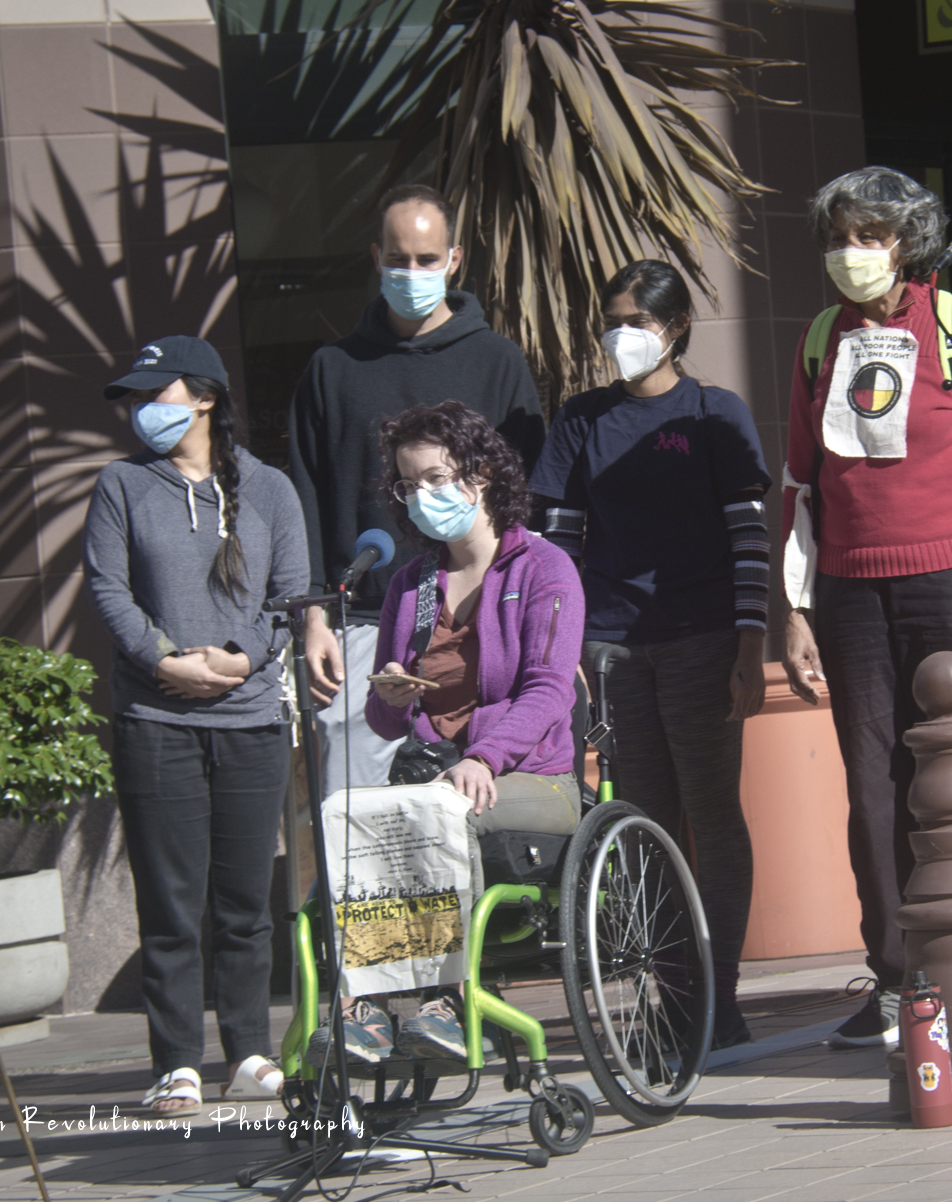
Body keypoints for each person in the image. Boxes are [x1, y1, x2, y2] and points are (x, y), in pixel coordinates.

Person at [780, 167, 952, 1049]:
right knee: (870, 786)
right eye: (839, 237)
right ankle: (896, 980)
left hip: (945, 582)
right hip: (848, 589)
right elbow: (798, 484)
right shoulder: (819, 339)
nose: (852, 255)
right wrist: (795, 609)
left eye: (871, 237)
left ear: (909, 243)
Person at [531, 260, 772, 1049]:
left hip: (702, 639)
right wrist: (561, 642)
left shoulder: (713, 412)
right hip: (611, 647)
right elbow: (557, 541)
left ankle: (720, 996)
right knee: (643, 820)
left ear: (673, 329)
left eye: (636, 320)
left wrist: (750, 640)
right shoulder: (581, 419)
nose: (620, 335)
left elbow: (748, 536)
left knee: (711, 814)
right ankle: (671, 996)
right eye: (612, 319)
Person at [84, 336, 310, 1115]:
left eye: (159, 392)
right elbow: (108, 591)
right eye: (136, 397)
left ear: (206, 397)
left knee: (244, 904)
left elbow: (289, 596)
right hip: (156, 719)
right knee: (170, 902)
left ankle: (247, 1051)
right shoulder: (121, 484)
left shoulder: (272, 489)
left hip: (248, 720)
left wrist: (245, 659)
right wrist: (162, 659)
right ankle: (176, 1061)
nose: (143, 409)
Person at [289, 184, 547, 797]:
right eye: (399, 259)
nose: (412, 272)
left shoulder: (497, 362)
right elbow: (307, 499)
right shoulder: (332, 369)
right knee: (355, 824)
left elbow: (524, 497)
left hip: (479, 618)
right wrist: (314, 616)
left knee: (468, 813)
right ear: (376, 258)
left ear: (454, 260)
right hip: (363, 623)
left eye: (427, 260)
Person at [357, 400, 585, 1062]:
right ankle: (363, 1009)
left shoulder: (541, 568)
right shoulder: (412, 586)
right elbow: (382, 716)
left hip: (532, 777)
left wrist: (484, 756)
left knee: (435, 816)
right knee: (356, 824)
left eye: (434, 478)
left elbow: (548, 689)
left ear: (479, 475)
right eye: (407, 484)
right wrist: (394, 698)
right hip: (435, 775)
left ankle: (444, 1001)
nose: (421, 496)